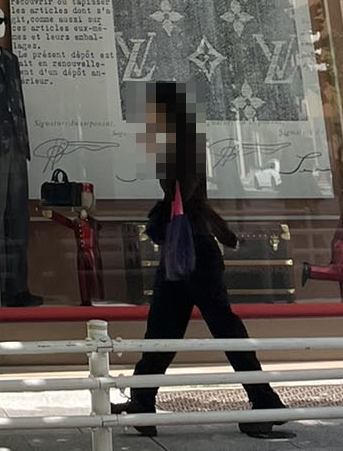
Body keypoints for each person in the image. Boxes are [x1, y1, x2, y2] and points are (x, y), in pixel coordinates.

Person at [120, 83, 291, 440]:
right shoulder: (182, 147)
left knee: (212, 328)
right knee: (166, 328)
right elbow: (189, 200)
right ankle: (143, 401)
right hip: (188, 248)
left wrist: (160, 216)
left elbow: (184, 197)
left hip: (189, 251)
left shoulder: (179, 148)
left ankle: (265, 402)